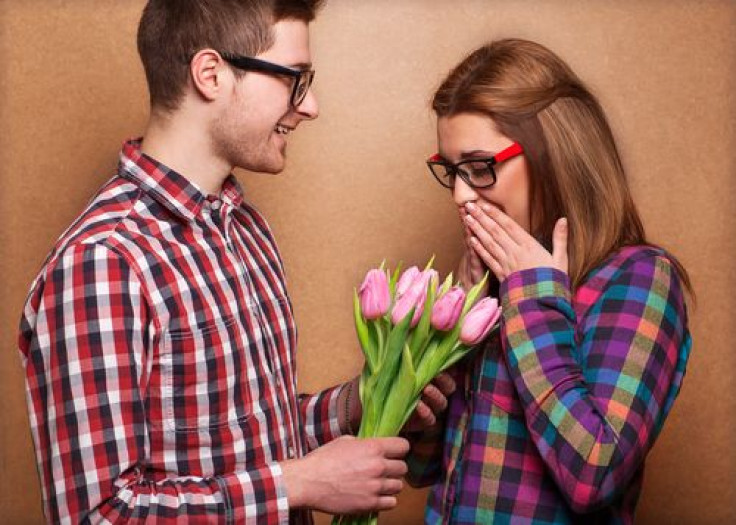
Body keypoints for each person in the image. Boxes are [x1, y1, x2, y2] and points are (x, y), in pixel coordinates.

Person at [18, 1, 454, 522]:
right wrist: (301, 482)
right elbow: (99, 514)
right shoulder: (104, 261)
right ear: (211, 74)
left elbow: (246, 436)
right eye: (295, 79)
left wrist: (356, 402)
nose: (310, 105)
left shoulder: (244, 228)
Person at [406, 38, 693, 524]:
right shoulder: (489, 280)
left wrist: (533, 298)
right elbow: (422, 466)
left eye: (479, 168)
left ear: (554, 155)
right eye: (451, 171)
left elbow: (593, 475)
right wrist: (447, 337)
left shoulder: (640, 280)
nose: (459, 195)